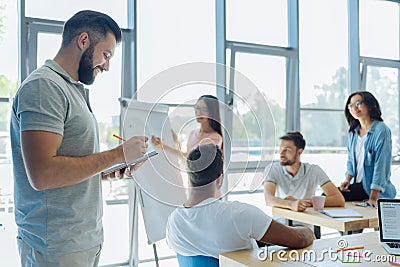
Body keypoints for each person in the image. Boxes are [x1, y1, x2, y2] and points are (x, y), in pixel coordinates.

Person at [10, 10, 148, 266]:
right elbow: (43, 174)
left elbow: (69, 163)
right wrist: (118, 154)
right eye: (106, 55)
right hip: (56, 246)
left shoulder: (71, 89)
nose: (107, 65)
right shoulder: (44, 87)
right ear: (83, 41)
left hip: (81, 241)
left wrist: (107, 170)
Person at [166, 143, 315, 259]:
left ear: (189, 177)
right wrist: (309, 231)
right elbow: (300, 239)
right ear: (220, 178)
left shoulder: (174, 220)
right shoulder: (238, 214)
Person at [340, 91, 396, 208]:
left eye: (358, 103)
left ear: (370, 106)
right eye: (351, 105)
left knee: (330, 197)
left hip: (371, 189)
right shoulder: (353, 133)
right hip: (357, 185)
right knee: (326, 195)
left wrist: (373, 198)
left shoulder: (381, 130)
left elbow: (381, 166)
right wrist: (347, 180)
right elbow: (351, 161)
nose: (354, 108)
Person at [263, 132, 345, 212]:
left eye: (287, 150)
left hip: (305, 223)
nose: (281, 154)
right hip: (280, 223)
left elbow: (338, 199)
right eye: (281, 149)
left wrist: (301, 202)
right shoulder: (272, 169)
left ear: (299, 152)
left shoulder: (313, 170)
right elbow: (268, 199)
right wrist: (291, 204)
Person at [151, 95, 223, 159]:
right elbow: (185, 156)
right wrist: (174, 142)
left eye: (204, 109)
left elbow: (193, 159)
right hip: (191, 172)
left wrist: (164, 146)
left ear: (212, 112)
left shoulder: (215, 138)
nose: (199, 113)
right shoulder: (193, 133)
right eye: (197, 108)